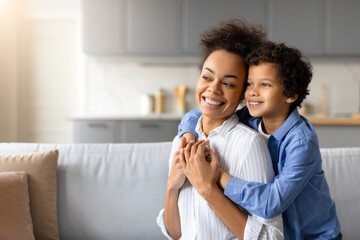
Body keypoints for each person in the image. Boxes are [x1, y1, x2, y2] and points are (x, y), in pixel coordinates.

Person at [179, 41, 342, 240]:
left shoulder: (301, 142)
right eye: (249, 83)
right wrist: (188, 135)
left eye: (265, 84)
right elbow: (198, 115)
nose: (252, 92)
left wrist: (216, 176)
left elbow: (271, 203)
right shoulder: (250, 117)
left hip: (313, 237)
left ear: (290, 94)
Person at [156, 19, 283, 240]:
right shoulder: (182, 141)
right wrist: (172, 187)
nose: (213, 89)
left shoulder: (249, 145)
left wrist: (208, 189)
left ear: (244, 92)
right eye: (207, 77)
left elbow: (272, 236)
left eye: (229, 84)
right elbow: (176, 234)